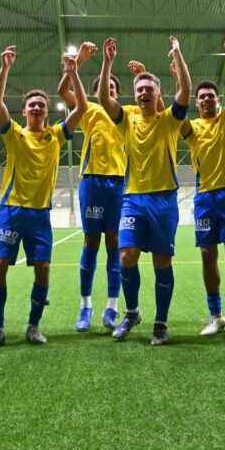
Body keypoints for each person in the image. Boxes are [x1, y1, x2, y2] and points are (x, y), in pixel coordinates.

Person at [0, 47, 87, 349]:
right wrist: (5, 68)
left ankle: (33, 326)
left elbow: (81, 107)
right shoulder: (14, 133)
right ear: (24, 111)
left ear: (47, 111)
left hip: (40, 214)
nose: (37, 108)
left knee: (43, 268)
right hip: (12, 210)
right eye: (32, 105)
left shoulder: (56, 135)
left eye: (41, 104)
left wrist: (74, 73)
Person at [97, 36, 191, 346]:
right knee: (126, 255)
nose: (143, 92)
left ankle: (160, 323)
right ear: (135, 94)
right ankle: (132, 312)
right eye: (139, 89)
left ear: (158, 94)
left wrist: (177, 54)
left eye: (149, 88)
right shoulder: (127, 118)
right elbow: (103, 98)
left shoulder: (170, 120)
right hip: (133, 199)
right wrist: (108, 61)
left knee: (162, 262)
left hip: (163, 199)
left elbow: (186, 90)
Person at [57, 42, 133, 333]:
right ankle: (85, 306)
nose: (109, 89)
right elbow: (64, 90)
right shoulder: (87, 109)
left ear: (118, 93)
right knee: (91, 240)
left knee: (114, 241)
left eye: (112, 87)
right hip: (92, 181)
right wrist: (78, 61)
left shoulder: (126, 113)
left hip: (118, 183)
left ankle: (111, 306)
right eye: (104, 86)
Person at [180, 32, 225, 337]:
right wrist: (178, 79)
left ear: (218, 101)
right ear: (196, 103)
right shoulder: (191, 128)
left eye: (211, 96)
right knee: (207, 254)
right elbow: (176, 110)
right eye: (202, 97)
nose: (206, 99)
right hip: (204, 196)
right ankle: (215, 315)